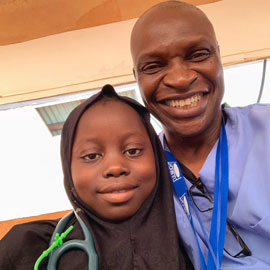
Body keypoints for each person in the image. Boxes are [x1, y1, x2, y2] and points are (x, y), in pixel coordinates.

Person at [130, 1, 270, 269]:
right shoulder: (140, 172)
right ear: (136, 77)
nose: (180, 79)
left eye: (197, 55)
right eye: (154, 66)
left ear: (218, 56)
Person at [0, 84, 193, 270]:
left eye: (133, 151)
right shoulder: (31, 245)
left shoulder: (198, 234)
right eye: (92, 156)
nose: (115, 167)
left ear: (157, 157)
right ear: (69, 168)